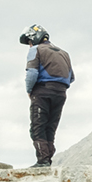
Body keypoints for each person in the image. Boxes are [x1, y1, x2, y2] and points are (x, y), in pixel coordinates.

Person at [21, 25, 74, 167]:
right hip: (61, 93)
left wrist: (29, 90)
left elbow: (31, 73)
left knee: (37, 127)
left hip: (42, 92)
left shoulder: (35, 50)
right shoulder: (64, 53)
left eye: (29, 42)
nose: (29, 45)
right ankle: (48, 160)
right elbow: (72, 77)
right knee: (51, 127)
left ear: (33, 39)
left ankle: (42, 160)